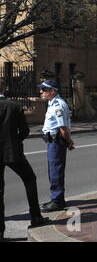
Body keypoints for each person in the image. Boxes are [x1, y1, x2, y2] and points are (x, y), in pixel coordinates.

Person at [0, 78, 49, 241]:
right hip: (12, 151)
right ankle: (35, 216)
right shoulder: (14, 106)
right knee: (29, 179)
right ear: (4, 88)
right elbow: (25, 131)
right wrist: (15, 140)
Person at [38, 80, 75, 213]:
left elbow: (63, 127)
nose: (41, 91)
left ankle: (57, 201)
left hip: (56, 142)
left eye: (44, 89)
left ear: (52, 91)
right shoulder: (52, 103)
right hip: (53, 141)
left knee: (55, 171)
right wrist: (69, 141)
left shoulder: (58, 105)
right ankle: (57, 198)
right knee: (53, 170)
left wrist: (68, 141)